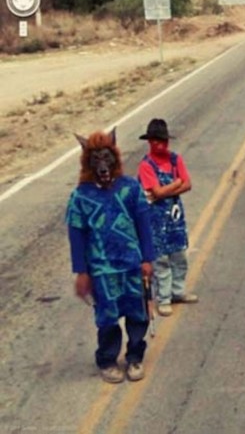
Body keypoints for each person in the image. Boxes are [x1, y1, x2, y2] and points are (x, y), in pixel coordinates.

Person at [66, 129, 155, 383]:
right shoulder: (81, 197)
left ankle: (135, 357)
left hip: (132, 264)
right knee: (107, 315)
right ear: (88, 163)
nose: (103, 166)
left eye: (107, 158)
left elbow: (143, 224)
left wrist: (147, 258)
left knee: (138, 312)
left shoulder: (130, 188)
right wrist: (81, 272)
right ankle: (107, 359)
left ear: (115, 159)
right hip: (102, 269)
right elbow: (76, 235)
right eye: (96, 160)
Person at [137, 119, 197, 317]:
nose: (159, 145)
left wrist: (168, 189)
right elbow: (157, 191)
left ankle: (177, 292)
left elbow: (188, 185)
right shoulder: (146, 165)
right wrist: (176, 183)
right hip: (155, 219)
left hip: (174, 217)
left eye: (161, 141)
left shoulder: (175, 159)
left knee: (179, 256)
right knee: (160, 260)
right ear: (150, 142)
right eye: (155, 141)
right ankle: (163, 298)